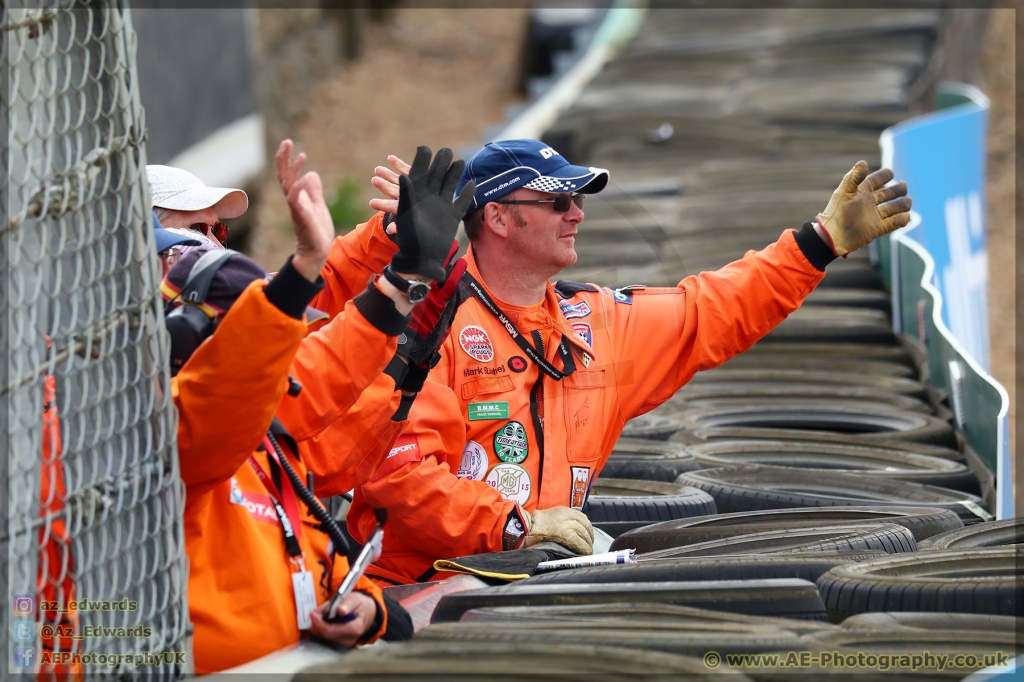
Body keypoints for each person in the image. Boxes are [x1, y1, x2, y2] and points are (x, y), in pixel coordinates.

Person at [333, 139, 913, 586]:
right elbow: (398, 475)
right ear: (499, 219)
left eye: (579, 199)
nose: (576, 214)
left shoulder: (595, 324)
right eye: (557, 200)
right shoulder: (429, 319)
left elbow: (709, 312)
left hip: (534, 586)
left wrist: (819, 243)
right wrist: (520, 524)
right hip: (412, 593)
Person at [166, 149, 472, 672]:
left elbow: (314, 377)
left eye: (220, 230)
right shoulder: (181, 427)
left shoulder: (266, 439)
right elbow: (266, 382)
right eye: (195, 229)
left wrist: (368, 611)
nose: (214, 240)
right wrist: (397, 289)